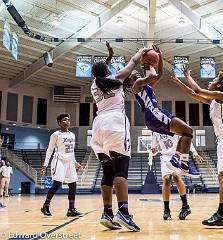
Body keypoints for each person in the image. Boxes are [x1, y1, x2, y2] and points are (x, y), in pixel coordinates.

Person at [171, 66, 223, 226]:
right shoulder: (213, 101)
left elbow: (198, 89)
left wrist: (187, 76)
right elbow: (194, 94)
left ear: (219, 86)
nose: (211, 82)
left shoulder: (221, 96)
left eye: (214, 80)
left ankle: (221, 213)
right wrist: (178, 81)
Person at [90, 42, 151, 232]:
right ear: (106, 71)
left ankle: (107, 213)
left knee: (108, 172)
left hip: (98, 126)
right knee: (121, 171)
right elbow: (132, 63)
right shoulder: (115, 79)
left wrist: (108, 56)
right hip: (115, 124)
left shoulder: (95, 83)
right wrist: (142, 51)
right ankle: (123, 212)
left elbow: (100, 71)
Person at [127, 46, 199, 177]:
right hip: (154, 114)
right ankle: (183, 164)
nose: (136, 73)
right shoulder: (136, 84)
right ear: (129, 80)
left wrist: (159, 57)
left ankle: (177, 160)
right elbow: (154, 75)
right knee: (188, 131)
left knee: (185, 134)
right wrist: (148, 63)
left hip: (155, 116)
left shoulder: (144, 86)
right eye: (133, 74)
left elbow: (159, 75)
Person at [151, 132, 203, 220]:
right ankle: (166, 210)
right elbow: (154, 148)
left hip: (176, 156)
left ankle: (185, 206)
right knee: (167, 179)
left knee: (176, 176)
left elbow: (186, 139)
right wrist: (154, 150)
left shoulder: (174, 125)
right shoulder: (156, 131)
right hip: (165, 157)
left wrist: (194, 152)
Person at [40, 113, 83, 217]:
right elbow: (50, 150)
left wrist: (75, 162)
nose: (67, 121)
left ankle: (71, 209)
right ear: (59, 123)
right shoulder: (55, 134)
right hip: (58, 161)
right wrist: (45, 165)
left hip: (69, 162)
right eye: (64, 120)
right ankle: (46, 205)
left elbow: (71, 151)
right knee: (57, 184)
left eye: (68, 119)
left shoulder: (72, 135)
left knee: (73, 184)